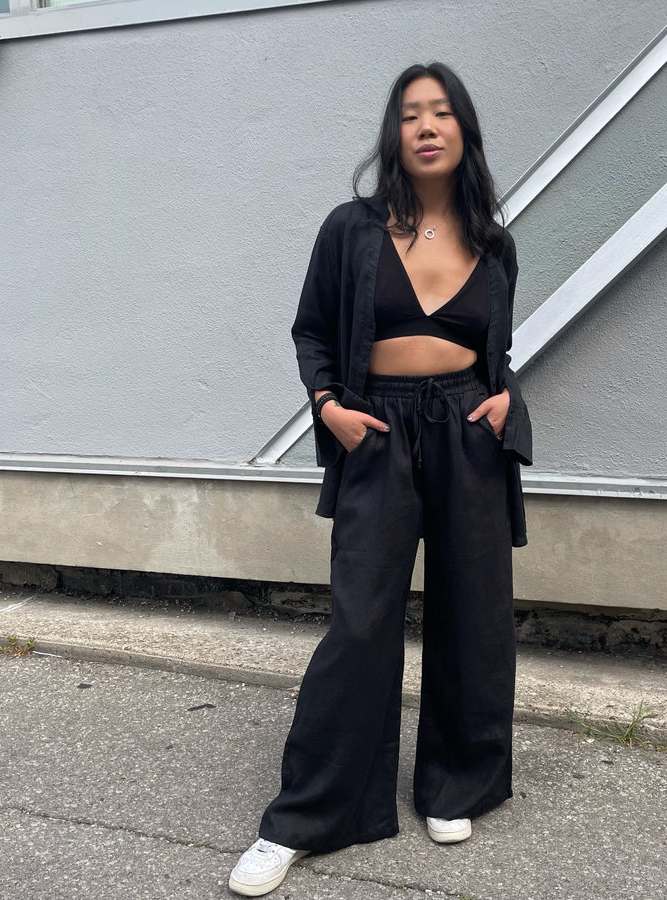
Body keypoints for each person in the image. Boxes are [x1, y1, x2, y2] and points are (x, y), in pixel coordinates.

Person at [229, 61, 533, 897]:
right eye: (410, 114)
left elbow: (498, 348)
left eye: (442, 112)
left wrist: (507, 399)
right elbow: (312, 331)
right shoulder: (352, 229)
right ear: (393, 134)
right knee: (361, 621)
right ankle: (306, 816)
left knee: (474, 615)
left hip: (468, 430)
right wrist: (327, 405)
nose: (426, 126)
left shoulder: (494, 242)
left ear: (464, 130)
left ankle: (457, 783)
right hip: (377, 431)